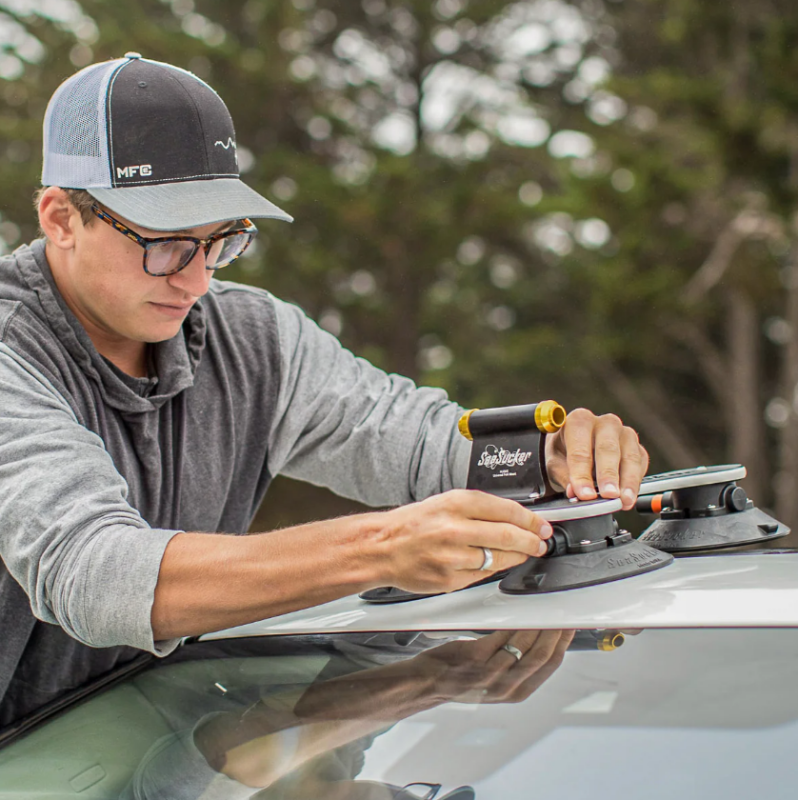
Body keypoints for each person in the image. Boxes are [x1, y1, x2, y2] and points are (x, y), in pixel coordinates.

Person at [0, 54, 647, 727]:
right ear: (61, 219)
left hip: (137, 753)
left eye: (220, 242)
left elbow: (415, 440)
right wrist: (381, 549)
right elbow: (96, 575)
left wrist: (546, 457)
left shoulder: (250, 338)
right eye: (164, 246)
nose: (196, 283)